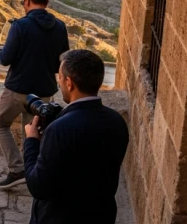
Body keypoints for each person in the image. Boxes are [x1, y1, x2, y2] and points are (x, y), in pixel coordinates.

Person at [23, 49, 129, 223]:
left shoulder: (59, 130)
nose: (59, 83)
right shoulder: (116, 121)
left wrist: (32, 141)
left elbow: (38, 186)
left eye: (60, 78)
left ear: (69, 83)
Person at [0, 0, 69, 189]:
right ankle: (33, 172)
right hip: (44, 91)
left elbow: (5, 59)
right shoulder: (60, 27)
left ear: (26, 1)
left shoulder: (20, 25)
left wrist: (1, 53)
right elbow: (61, 63)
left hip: (18, 89)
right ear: (46, 3)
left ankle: (17, 169)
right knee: (33, 132)